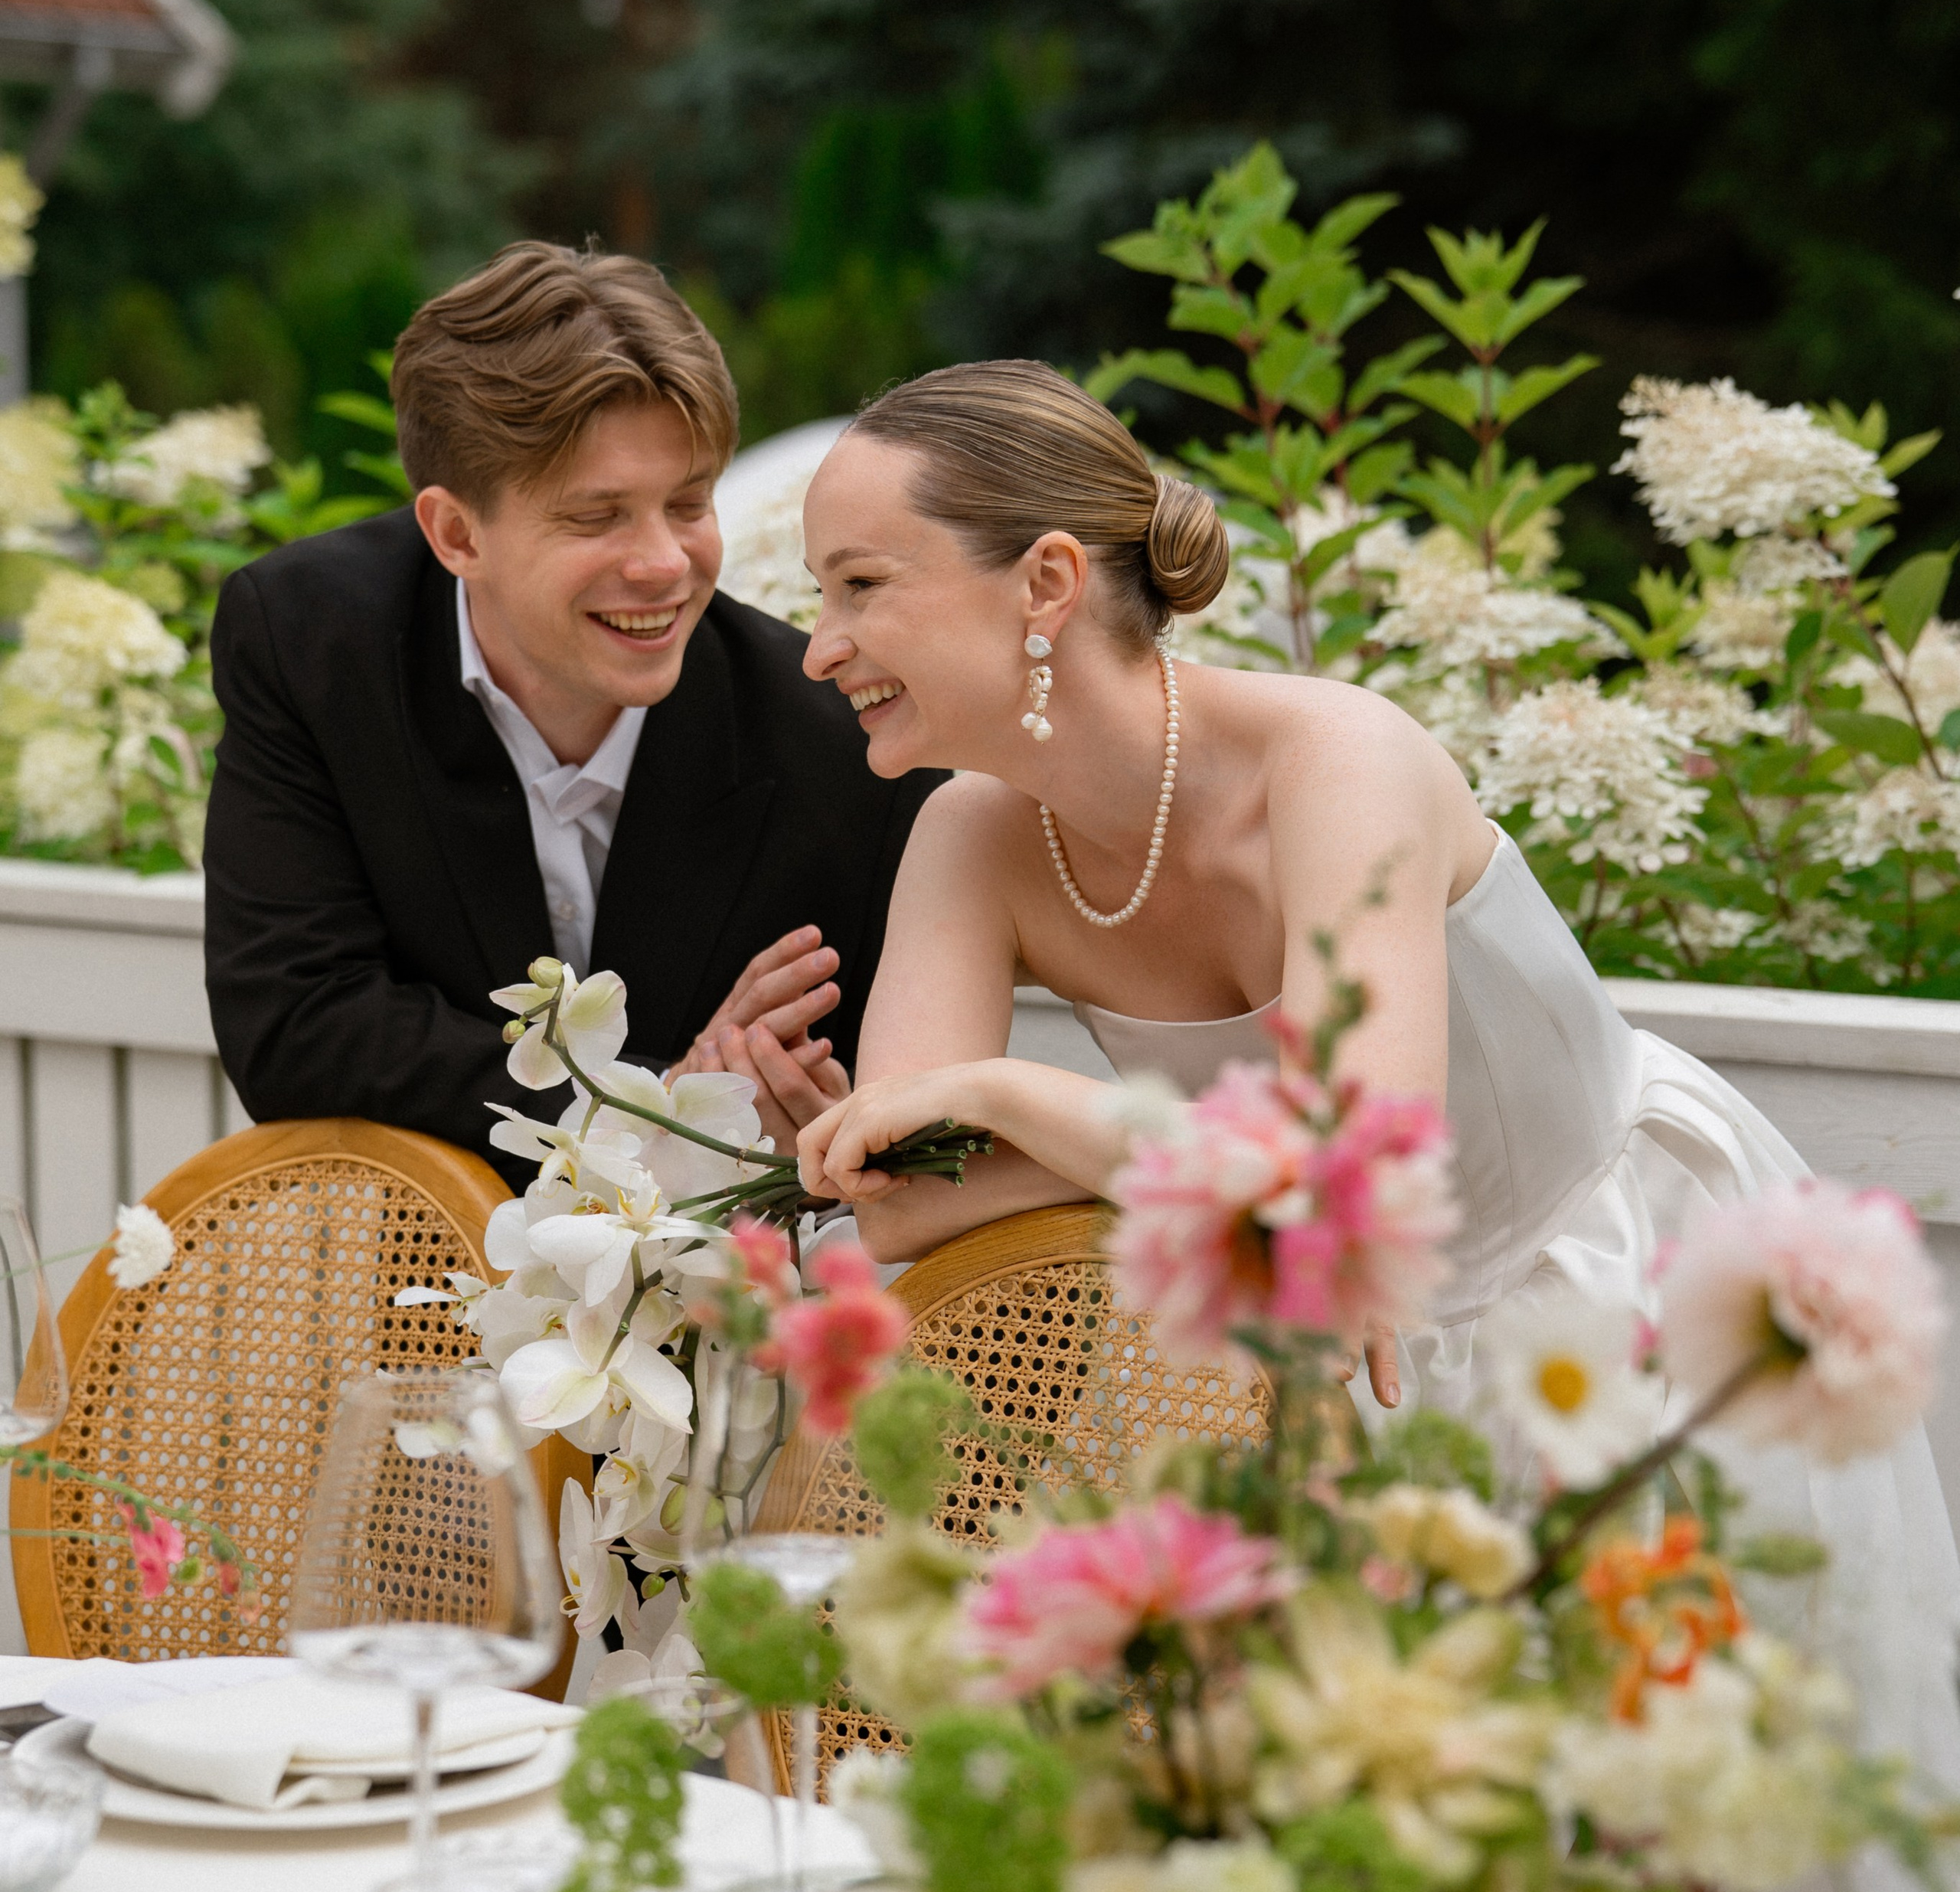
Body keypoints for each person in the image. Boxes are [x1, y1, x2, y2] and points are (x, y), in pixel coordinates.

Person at [787, 358, 1960, 1774]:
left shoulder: (1337, 758)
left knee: (1696, 1812)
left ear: (1044, 582)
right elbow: (902, 1195)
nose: (818, 645)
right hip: (1316, 1364)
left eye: (859, 586)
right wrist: (1225, 1159)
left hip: (1614, 1301)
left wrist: (1007, 1095)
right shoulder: (972, 836)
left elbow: (1355, 1172)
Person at [202, 242, 942, 1162]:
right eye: (598, 516)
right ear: (455, 531)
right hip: (409, 1284)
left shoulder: (844, 744)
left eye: (688, 501)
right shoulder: (309, 639)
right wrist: (657, 1108)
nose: (666, 564)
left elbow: (888, 1112)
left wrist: (824, 1116)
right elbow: (295, 1029)